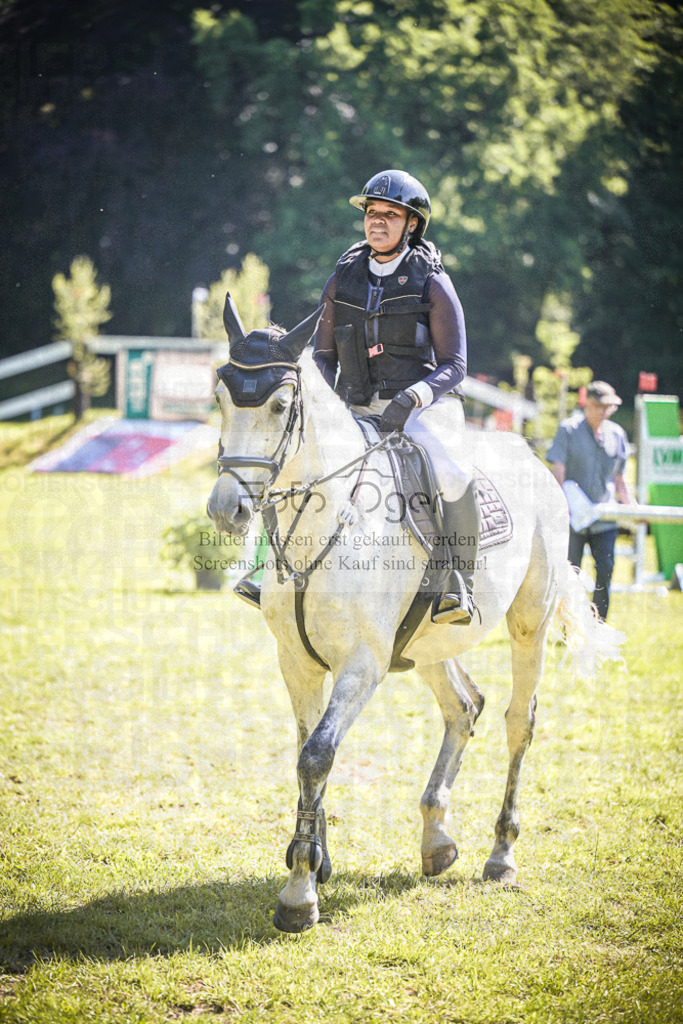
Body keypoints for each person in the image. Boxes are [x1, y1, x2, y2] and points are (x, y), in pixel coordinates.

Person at [310, 168, 479, 625]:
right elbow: (322, 356)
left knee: (450, 470)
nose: (377, 221)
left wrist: (413, 398)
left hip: (426, 408)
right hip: (358, 406)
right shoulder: (341, 279)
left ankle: (457, 582)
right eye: (371, 212)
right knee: (299, 462)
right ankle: (268, 569)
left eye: (389, 214)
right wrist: (321, 406)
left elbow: (456, 365)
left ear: (412, 224)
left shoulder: (433, 281)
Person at [547, 380, 631, 620]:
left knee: (605, 571)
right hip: (574, 518)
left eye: (608, 407)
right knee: (570, 572)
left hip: (605, 518)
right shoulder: (568, 430)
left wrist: (632, 510)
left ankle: (598, 624)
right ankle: (568, 623)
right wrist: (561, 506)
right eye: (599, 406)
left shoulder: (617, 435)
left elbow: (620, 478)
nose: (603, 411)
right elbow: (559, 471)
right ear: (588, 404)